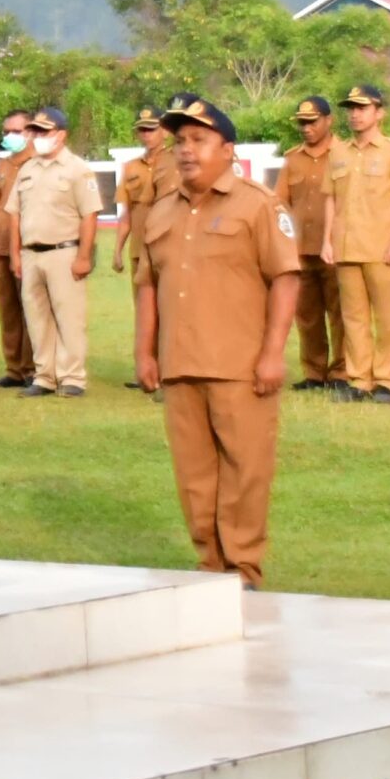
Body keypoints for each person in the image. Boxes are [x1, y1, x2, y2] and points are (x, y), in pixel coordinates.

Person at [135, 96, 301, 587]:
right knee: (194, 475)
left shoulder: (258, 204)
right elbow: (148, 285)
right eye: (180, 141)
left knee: (245, 469)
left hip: (239, 364)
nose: (187, 150)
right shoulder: (161, 210)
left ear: (227, 149)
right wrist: (144, 352)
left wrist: (272, 354)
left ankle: (242, 565)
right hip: (179, 362)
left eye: (199, 140)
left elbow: (285, 278)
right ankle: (210, 566)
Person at [8, 105, 101, 398]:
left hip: (64, 251)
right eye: (35, 131)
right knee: (37, 319)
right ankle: (45, 376)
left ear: (61, 135)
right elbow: (14, 214)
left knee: (69, 318)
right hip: (31, 253)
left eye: (44, 132)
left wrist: (84, 257)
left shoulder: (78, 169)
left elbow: (89, 215)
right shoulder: (27, 169)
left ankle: (72, 377)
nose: (37, 137)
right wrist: (15, 254)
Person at [324, 85, 390, 404]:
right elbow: (330, 199)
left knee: (386, 319)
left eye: (362, 108)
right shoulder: (338, 152)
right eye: (351, 108)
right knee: (354, 319)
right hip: (346, 246)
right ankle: (359, 379)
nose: (355, 114)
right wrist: (327, 241)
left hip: (381, 248)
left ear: (379, 112)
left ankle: (385, 380)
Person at [276, 96, 346, 391]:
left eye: (312, 122)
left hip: (336, 249)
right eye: (302, 123)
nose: (306, 128)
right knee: (307, 315)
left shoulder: (344, 154)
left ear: (329, 120)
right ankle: (314, 372)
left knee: (341, 313)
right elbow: (280, 203)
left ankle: (341, 372)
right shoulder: (292, 159)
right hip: (300, 250)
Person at [111, 107, 180, 393]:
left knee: (171, 311)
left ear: (164, 131)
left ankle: (172, 371)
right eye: (142, 129)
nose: (146, 134)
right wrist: (118, 249)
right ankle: (148, 368)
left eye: (151, 129)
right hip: (140, 251)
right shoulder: (131, 168)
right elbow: (126, 214)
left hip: (169, 247)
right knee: (145, 312)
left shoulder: (178, 161)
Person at [0, 111, 37, 389]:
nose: (9, 136)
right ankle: (13, 368)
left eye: (16, 131)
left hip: (27, 245)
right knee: (8, 309)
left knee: (31, 307)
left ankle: (32, 368)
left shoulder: (38, 163)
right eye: (6, 131)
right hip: (3, 247)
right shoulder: (3, 165)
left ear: (30, 131)